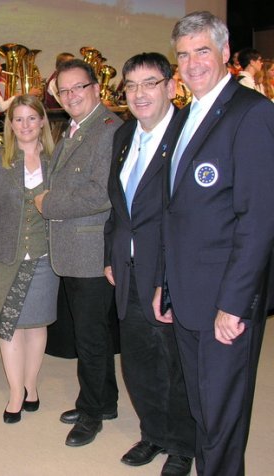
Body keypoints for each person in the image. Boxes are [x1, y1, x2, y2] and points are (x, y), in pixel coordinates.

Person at [155, 11, 274, 475]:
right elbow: (177, 211)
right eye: (183, 55)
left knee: (222, 415)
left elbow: (259, 221)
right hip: (187, 293)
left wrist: (234, 303)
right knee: (203, 406)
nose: (192, 63)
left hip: (225, 299)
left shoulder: (253, 114)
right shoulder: (186, 115)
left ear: (225, 53)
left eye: (202, 51)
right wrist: (167, 281)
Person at [104, 53, 194, 476]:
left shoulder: (188, 135)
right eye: (132, 85)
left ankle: (182, 443)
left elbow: (193, 217)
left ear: (171, 87)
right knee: (138, 359)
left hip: (171, 271)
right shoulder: (124, 136)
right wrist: (111, 255)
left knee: (174, 362)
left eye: (150, 83)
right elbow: (117, 208)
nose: (139, 93)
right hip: (128, 269)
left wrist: (173, 278)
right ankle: (153, 432)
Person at [35, 59, 121, 447]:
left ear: (96, 87)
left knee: (90, 337)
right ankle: (105, 402)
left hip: (89, 251)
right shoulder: (74, 129)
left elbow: (100, 194)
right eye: (63, 91)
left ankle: (91, 414)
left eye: (77, 88)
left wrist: (47, 205)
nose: (70, 96)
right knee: (93, 334)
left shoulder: (107, 130)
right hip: (70, 250)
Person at [0, 94, 59, 424]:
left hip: (44, 255)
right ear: (10, 124)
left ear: (42, 122)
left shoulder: (57, 158)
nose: (25, 125)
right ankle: (15, 393)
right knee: (8, 327)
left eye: (31, 118)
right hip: (6, 255)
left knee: (36, 325)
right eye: (18, 119)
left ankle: (31, 384)